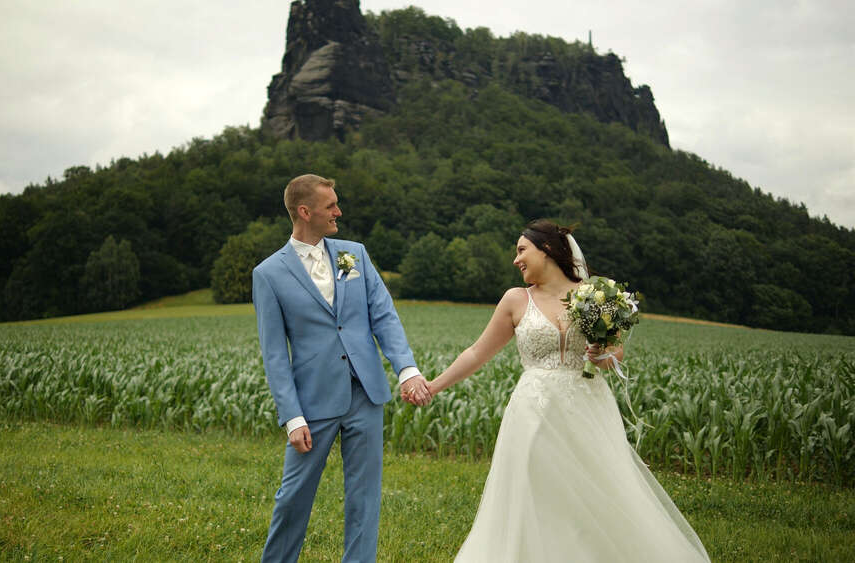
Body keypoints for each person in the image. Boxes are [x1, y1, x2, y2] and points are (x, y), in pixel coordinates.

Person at [405, 219, 710, 562]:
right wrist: (433, 386)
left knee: (595, 490)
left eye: (522, 250)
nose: (515, 260)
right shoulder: (515, 300)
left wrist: (602, 353)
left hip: (587, 408)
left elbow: (614, 355)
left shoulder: (596, 296)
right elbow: (477, 352)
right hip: (532, 411)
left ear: (546, 249)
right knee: (534, 490)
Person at [253, 174, 430, 562]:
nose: (339, 211)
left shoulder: (355, 254)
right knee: (293, 496)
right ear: (305, 211)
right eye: (330, 205)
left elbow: (383, 315)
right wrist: (291, 416)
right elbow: (274, 354)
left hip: (366, 394)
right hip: (311, 402)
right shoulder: (268, 274)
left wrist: (407, 369)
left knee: (364, 497)